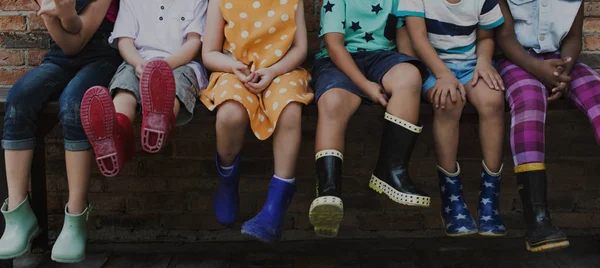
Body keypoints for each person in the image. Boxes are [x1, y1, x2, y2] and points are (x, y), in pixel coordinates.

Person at [0, 0, 121, 263]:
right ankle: (18, 215)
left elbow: (75, 42)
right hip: (60, 58)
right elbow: (65, 47)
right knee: (19, 100)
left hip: (102, 59)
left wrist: (64, 13)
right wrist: (51, 17)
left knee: (73, 105)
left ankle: (76, 217)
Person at [309, 0, 430, 238]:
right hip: (338, 62)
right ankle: (328, 189)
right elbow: (334, 46)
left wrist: (411, 83)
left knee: (408, 76)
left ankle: (390, 171)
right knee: (333, 102)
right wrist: (366, 86)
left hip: (382, 59)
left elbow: (404, 46)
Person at [201, 0, 314, 244]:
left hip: (282, 70)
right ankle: (228, 177)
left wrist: (273, 71)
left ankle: (275, 208)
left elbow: (300, 48)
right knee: (231, 113)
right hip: (233, 69)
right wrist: (234, 66)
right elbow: (209, 53)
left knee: (290, 110)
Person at [400, 0, 507, 236]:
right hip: (431, 68)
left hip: (471, 66)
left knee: (493, 100)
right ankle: (452, 200)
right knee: (449, 101)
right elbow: (418, 38)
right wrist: (443, 75)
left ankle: (489, 200)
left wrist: (483, 61)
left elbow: (486, 37)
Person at [495, 0, 592, 252]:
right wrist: (538, 69)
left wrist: (564, 70)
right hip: (516, 60)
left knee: (597, 94)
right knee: (530, 102)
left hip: (559, 62)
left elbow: (573, 37)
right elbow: (504, 37)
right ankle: (537, 218)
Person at [79, 0, 208, 177]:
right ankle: (116, 134)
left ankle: (160, 122)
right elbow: (125, 41)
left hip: (180, 64)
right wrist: (138, 63)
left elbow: (194, 43)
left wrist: (163, 67)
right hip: (137, 62)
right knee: (125, 87)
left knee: (175, 87)